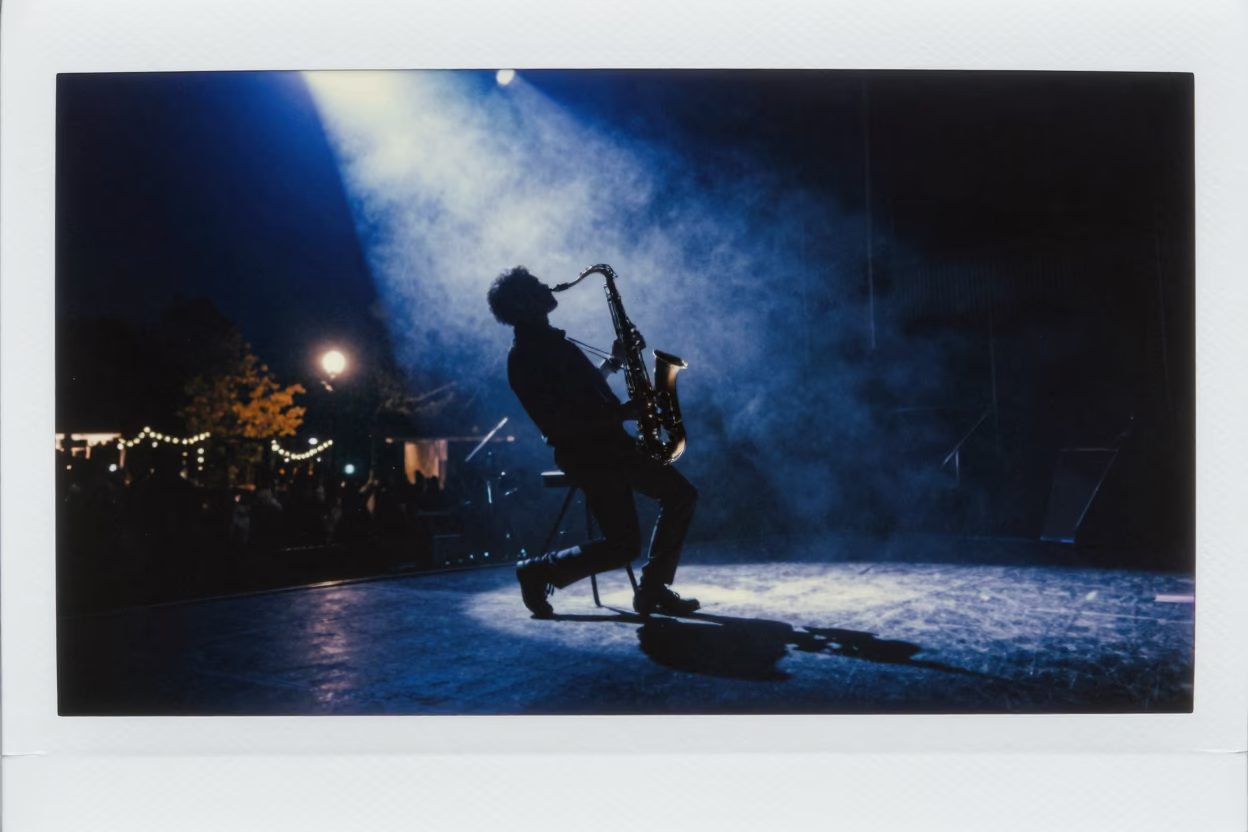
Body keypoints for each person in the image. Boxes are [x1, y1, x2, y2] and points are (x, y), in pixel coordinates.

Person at [487, 265, 699, 619]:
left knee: (680, 495)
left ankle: (653, 588)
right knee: (623, 545)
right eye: (536, 284)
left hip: (608, 445)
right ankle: (538, 571)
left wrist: (613, 364)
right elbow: (559, 423)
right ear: (524, 303)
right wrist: (622, 414)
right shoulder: (525, 356)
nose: (546, 284)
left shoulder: (550, 341)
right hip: (587, 455)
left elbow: (583, 395)